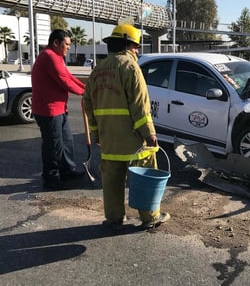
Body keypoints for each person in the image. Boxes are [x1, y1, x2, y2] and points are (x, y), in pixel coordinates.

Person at [83, 24, 170, 230]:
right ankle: (150, 217)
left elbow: (88, 104)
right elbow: (140, 106)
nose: (137, 51)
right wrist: (148, 133)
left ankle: (114, 218)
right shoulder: (130, 67)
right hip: (133, 142)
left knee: (112, 182)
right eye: (135, 46)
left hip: (109, 142)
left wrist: (96, 133)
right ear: (126, 46)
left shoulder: (97, 70)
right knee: (145, 176)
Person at [31, 29, 86, 190]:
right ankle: (51, 177)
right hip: (48, 110)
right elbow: (64, 82)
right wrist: (85, 93)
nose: (69, 47)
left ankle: (67, 170)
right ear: (56, 43)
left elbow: (69, 76)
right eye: (66, 44)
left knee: (67, 141)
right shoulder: (49, 56)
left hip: (59, 109)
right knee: (53, 145)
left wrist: (87, 88)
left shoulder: (58, 57)